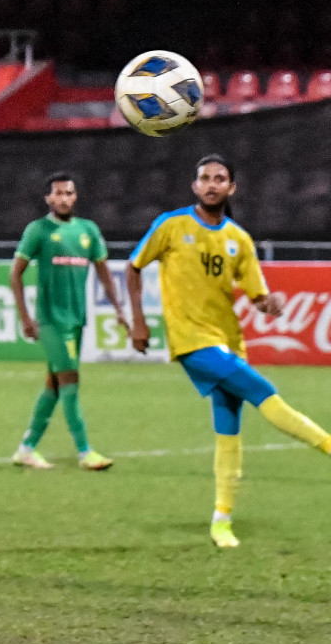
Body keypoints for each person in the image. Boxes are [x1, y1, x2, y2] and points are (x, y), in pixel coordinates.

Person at [127, 155, 331, 548]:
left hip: (228, 341)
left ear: (231, 188)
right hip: (192, 342)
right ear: (194, 185)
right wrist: (138, 320)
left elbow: (258, 295)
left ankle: (222, 520)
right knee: (265, 394)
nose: (211, 184)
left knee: (228, 429)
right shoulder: (171, 225)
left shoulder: (239, 239)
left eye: (219, 179)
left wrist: (268, 304)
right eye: (205, 178)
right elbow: (134, 267)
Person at [9, 173, 126, 471]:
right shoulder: (39, 230)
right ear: (48, 198)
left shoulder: (88, 230)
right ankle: (85, 451)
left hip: (77, 319)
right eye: (58, 194)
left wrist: (119, 310)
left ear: (75, 197)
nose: (63, 198)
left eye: (68, 193)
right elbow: (15, 273)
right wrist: (25, 317)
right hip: (50, 320)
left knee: (54, 386)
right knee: (71, 381)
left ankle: (26, 448)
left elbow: (103, 272)